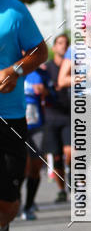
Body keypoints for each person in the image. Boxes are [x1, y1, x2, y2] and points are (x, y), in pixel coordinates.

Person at [0, 0, 47, 231]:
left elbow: (40, 51)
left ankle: (3, 225)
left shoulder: (14, 11)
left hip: (9, 115)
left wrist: (15, 71)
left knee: (8, 202)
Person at [43, 33, 71, 203]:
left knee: (71, 152)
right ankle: (61, 189)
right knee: (57, 156)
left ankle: (75, 183)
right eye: (60, 43)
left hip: (69, 115)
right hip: (51, 116)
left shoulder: (73, 66)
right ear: (53, 48)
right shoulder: (46, 69)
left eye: (66, 43)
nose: (63, 46)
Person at [21, 66, 48, 219]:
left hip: (37, 125)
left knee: (36, 166)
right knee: (20, 166)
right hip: (15, 124)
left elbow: (52, 92)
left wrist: (44, 91)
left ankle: (29, 205)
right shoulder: (8, 69)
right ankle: (15, 200)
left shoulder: (41, 74)